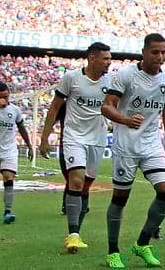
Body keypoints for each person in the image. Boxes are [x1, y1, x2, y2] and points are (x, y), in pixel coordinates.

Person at [101, 33, 165, 269]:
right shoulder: (125, 75)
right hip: (126, 145)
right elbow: (107, 106)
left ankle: (142, 243)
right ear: (144, 52)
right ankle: (113, 251)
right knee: (120, 198)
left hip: (152, 144)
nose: (159, 56)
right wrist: (125, 120)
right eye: (155, 52)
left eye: (163, 52)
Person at [40, 42, 112, 253]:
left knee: (86, 186)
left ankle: (77, 232)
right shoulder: (71, 78)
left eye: (110, 58)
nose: (109, 62)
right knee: (76, 179)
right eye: (105, 58)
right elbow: (54, 108)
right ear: (92, 58)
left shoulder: (112, 81)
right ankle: (72, 234)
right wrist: (45, 138)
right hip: (74, 137)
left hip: (98, 138)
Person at [0, 82, 34, 224]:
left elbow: (21, 128)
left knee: (9, 178)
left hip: (9, 150)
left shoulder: (15, 110)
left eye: (5, 96)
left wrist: (29, 145)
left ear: (9, 94)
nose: (3, 100)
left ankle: (8, 212)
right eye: (0, 97)